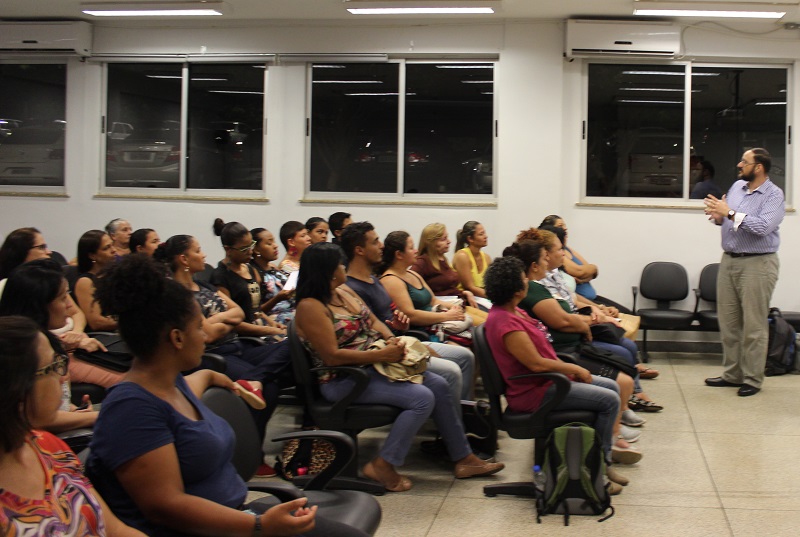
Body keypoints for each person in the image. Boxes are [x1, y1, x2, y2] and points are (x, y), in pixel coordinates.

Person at [86, 254, 364, 537]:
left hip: (236, 519)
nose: (205, 337)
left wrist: (213, 376)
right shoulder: (131, 408)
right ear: (176, 338)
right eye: (199, 327)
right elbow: (165, 506)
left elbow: (192, 388)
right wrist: (259, 526)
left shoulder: (171, 384)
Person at [293, 242, 504, 492]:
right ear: (327, 270)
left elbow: (373, 321)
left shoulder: (344, 292)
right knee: (422, 398)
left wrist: (392, 337)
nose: (344, 267)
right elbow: (331, 357)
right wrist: (383, 353)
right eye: (340, 264)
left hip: (373, 366)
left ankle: (463, 457)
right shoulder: (310, 306)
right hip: (343, 380)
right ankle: (383, 464)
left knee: (437, 384)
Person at [481, 257, 631, 491]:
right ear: (517, 289)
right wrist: (574, 368)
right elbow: (537, 365)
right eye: (523, 279)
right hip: (534, 391)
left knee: (612, 386)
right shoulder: (506, 323)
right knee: (609, 399)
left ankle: (604, 461)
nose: (527, 281)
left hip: (547, 381)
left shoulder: (515, 312)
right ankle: (596, 475)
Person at [156, 235, 297, 477]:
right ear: (183, 259)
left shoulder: (205, 286)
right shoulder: (175, 293)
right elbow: (208, 335)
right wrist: (223, 321)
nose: (204, 255)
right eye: (198, 250)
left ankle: (255, 379)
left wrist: (215, 321)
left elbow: (239, 312)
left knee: (294, 344)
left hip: (238, 346)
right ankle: (252, 456)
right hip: (212, 354)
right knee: (271, 387)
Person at [0, 315, 145, 536]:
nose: (62, 377)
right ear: (17, 391)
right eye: (54, 366)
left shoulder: (48, 446)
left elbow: (116, 529)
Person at [341, 221, 476, 402]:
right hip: (390, 350)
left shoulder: (374, 280)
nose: (381, 245)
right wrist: (402, 340)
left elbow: (389, 320)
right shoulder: (355, 287)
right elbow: (370, 330)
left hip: (403, 339)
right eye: (375, 242)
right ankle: (451, 417)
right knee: (451, 370)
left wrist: (400, 327)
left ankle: (465, 409)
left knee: (466, 356)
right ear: (359, 250)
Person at [703, 148, 784, 397]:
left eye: (744, 162)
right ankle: (732, 374)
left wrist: (728, 212)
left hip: (757, 264)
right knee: (729, 323)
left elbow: (762, 227)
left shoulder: (774, 195)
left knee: (754, 326)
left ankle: (752, 378)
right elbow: (729, 217)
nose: (739, 165)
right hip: (729, 261)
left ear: (758, 167)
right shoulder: (738, 186)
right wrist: (719, 216)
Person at [0, 259, 120, 411]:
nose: (69, 306)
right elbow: (44, 420)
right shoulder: (34, 347)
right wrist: (97, 417)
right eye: (63, 298)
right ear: (39, 305)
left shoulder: (40, 341)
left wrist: (75, 412)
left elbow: (56, 408)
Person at [379, 231, 470, 333]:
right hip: (424, 331)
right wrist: (446, 316)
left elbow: (433, 301)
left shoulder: (412, 274)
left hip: (437, 321)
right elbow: (410, 315)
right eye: (411, 248)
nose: (416, 251)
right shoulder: (391, 280)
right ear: (399, 254)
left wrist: (455, 308)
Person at [210, 219, 286, 339]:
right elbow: (232, 322)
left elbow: (255, 309)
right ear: (228, 249)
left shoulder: (249, 269)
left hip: (261, 327)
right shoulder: (220, 277)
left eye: (251, 245)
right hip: (246, 337)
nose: (250, 251)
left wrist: (272, 323)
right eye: (244, 249)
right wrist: (268, 330)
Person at [73, 230, 118, 331]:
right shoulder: (85, 282)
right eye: (107, 248)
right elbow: (96, 322)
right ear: (92, 255)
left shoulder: (115, 274)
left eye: (112, 245)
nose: (114, 250)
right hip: (106, 337)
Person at [250, 226, 295, 325]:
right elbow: (256, 311)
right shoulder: (254, 273)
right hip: (275, 320)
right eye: (269, 243)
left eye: (274, 242)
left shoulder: (273, 267)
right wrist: (277, 299)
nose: (275, 246)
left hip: (293, 311)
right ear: (256, 249)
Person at [452, 221, 491, 299]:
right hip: (465, 298)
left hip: (482, 297)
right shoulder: (462, 256)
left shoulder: (487, 258)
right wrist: (494, 296)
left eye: (484, 233)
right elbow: (470, 287)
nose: (485, 236)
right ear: (470, 239)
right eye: (481, 234)